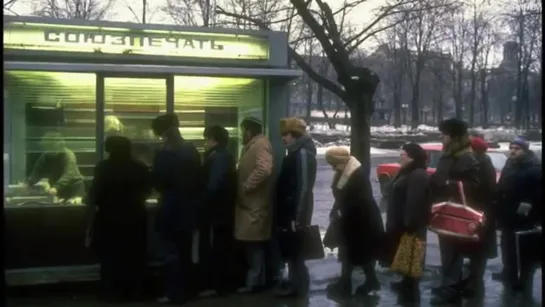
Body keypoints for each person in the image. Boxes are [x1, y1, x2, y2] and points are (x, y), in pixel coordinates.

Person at [86, 136, 152, 302]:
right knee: (134, 256)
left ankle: (111, 293)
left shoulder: (104, 167)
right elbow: (148, 190)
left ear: (109, 149)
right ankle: (134, 292)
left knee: (110, 257)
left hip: (109, 218)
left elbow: (95, 194)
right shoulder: (140, 167)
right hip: (135, 217)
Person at [151, 114, 203, 304]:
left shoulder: (163, 154)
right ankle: (188, 290)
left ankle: (173, 292)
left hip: (171, 208)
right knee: (186, 251)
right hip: (190, 209)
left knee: (171, 253)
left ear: (163, 132)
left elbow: (157, 183)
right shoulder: (192, 150)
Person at [429, 119, 480, 305]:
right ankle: (449, 284)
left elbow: (474, 186)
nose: (441, 136)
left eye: (444, 133)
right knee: (447, 250)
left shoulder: (467, 157)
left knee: (454, 252)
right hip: (444, 209)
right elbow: (439, 177)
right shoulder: (447, 154)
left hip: (457, 212)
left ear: (455, 136)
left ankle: (452, 287)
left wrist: (449, 185)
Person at [324, 147, 385, 297]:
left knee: (359, 253)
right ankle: (346, 282)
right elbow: (342, 197)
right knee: (349, 252)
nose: (332, 167)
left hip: (362, 220)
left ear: (341, 161)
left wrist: (341, 211)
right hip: (352, 219)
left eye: (333, 163)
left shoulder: (356, 175)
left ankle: (368, 281)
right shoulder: (343, 171)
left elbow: (359, 200)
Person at [275, 117, 317, 297]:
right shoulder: (297, 153)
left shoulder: (301, 154)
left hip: (295, 212)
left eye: (286, 134)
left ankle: (298, 287)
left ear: (295, 135)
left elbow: (302, 187)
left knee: (296, 250)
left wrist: (297, 217)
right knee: (293, 249)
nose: (283, 138)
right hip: (293, 210)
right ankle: (296, 284)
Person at [384, 143, 430, 298]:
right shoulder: (406, 171)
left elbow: (415, 202)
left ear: (412, 157)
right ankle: (406, 282)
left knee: (413, 255)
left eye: (403, 154)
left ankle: (411, 288)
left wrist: (409, 224)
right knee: (405, 254)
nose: (400, 157)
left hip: (411, 224)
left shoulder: (418, 174)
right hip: (401, 221)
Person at [496, 136, 541, 294]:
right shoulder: (509, 164)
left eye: (517, 148)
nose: (513, 151)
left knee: (523, 251)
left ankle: (523, 280)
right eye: (512, 148)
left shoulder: (533, 167)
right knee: (507, 246)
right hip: (507, 213)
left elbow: (537, 192)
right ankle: (509, 273)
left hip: (525, 215)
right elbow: (502, 185)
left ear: (525, 150)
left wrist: (529, 205)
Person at [455, 135, 498, 297]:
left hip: (480, 213)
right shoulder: (480, 162)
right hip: (477, 211)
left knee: (479, 250)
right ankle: (472, 282)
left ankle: (474, 285)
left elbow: (486, 190)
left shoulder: (482, 165)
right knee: (475, 249)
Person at [235, 117, 274, 293]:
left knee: (254, 246)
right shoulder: (254, 145)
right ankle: (255, 281)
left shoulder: (261, 145)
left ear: (249, 131)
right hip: (249, 206)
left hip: (255, 206)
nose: (241, 134)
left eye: (242, 130)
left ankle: (255, 283)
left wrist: (246, 186)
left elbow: (264, 169)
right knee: (252, 245)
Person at [199, 125, 238, 295]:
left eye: (206, 139)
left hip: (218, 211)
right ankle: (221, 284)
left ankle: (219, 286)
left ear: (212, 139)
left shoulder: (219, 157)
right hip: (222, 210)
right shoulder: (223, 155)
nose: (205, 142)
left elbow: (214, 185)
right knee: (221, 246)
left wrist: (203, 200)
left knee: (219, 247)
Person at [25, 132, 85, 201]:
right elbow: (37, 171)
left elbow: (68, 174)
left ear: (60, 146)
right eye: (49, 148)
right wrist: (29, 183)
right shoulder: (45, 156)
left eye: (53, 148)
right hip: (57, 188)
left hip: (73, 187)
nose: (51, 151)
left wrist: (56, 187)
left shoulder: (68, 155)